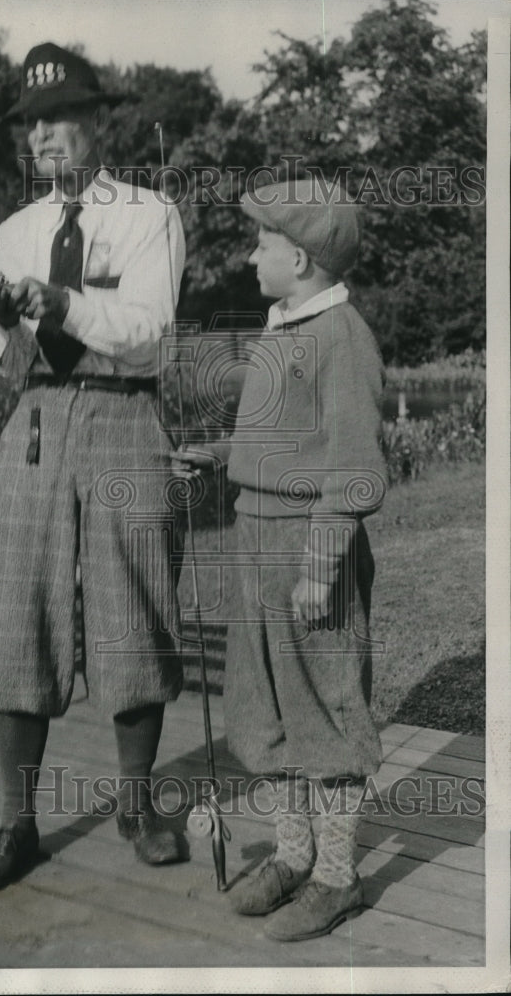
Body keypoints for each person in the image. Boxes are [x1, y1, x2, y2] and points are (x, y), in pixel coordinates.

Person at [0, 42, 188, 889]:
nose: (42, 137)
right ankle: (17, 824)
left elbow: (151, 333)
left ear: (96, 123)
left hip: (126, 416)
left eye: (57, 119)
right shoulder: (15, 230)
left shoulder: (148, 214)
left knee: (133, 603)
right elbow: (5, 359)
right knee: (18, 607)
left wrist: (62, 303)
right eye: (30, 125)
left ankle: (136, 806)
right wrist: (1, 316)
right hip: (38, 422)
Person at [174, 180, 387, 940]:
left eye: (260, 243)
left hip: (306, 551)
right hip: (253, 542)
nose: (249, 254)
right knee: (264, 706)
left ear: (297, 258)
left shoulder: (341, 338)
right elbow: (286, 439)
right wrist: (223, 457)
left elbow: (354, 467)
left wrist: (320, 566)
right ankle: (293, 857)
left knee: (323, 708)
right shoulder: (281, 328)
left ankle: (337, 876)